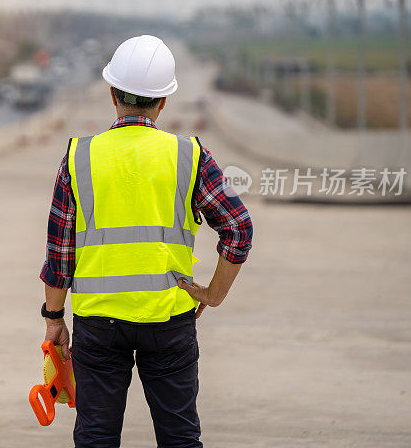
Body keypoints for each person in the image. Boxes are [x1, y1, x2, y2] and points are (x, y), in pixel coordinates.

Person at [38, 35, 254, 447]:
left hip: (97, 324)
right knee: (179, 438)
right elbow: (238, 227)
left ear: (111, 95)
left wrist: (53, 319)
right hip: (169, 320)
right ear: (164, 101)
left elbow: (60, 254)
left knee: (96, 437)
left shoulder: (80, 156)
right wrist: (212, 294)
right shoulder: (189, 156)